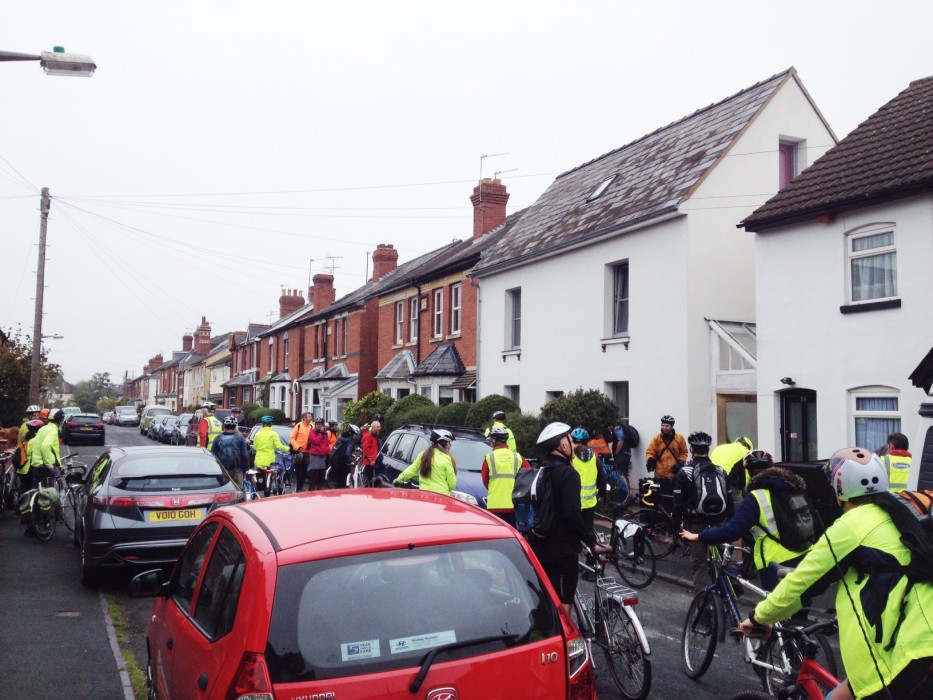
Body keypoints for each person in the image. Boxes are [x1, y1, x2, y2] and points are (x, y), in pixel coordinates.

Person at [738, 447, 933, 700]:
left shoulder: (851, 526)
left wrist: (759, 618)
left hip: (918, 650)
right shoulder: (903, 512)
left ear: (839, 489)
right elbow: (890, 576)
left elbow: (803, 581)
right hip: (903, 646)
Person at [681, 449, 811, 590]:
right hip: (806, 558)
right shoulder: (795, 490)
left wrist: (699, 536)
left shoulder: (756, 498)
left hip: (776, 564)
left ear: (748, 473)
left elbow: (732, 531)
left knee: (768, 610)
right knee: (799, 608)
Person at [527, 422, 602, 615]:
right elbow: (571, 515)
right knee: (563, 604)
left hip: (539, 545)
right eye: (569, 439)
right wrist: (589, 538)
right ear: (563, 445)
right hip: (562, 551)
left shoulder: (541, 469)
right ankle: (563, 641)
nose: (572, 443)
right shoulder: (568, 474)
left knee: (546, 599)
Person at [673, 430, 734, 593]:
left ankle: (704, 605)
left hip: (695, 525)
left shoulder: (686, 472)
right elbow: (730, 499)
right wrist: (729, 520)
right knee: (727, 558)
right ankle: (733, 589)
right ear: (708, 449)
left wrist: (675, 528)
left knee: (699, 565)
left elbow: (678, 504)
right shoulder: (721, 470)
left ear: (692, 450)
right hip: (719, 522)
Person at [481, 425, 531, 526]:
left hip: (494, 506)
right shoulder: (517, 457)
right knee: (511, 536)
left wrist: (495, 488)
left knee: (496, 537)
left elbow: (485, 480)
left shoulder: (489, 458)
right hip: (514, 505)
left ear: (493, 442)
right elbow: (528, 476)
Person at [570, 428, 607, 541]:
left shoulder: (571, 459)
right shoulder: (595, 458)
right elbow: (602, 478)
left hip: (574, 503)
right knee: (588, 532)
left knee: (573, 534)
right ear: (587, 442)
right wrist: (602, 492)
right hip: (590, 504)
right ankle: (592, 555)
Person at [394, 429, 457, 495]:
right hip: (441, 497)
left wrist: (398, 480)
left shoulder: (423, 454)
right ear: (443, 444)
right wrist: (448, 490)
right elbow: (452, 483)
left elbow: (411, 470)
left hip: (425, 495)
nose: (450, 445)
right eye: (449, 443)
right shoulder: (446, 458)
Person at [644, 415, 688, 487]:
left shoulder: (679, 438)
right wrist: (650, 460)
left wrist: (681, 462)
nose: (664, 428)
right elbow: (650, 451)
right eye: (663, 425)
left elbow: (684, 452)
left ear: (671, 426)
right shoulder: (656, 438)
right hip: (660, 474)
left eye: (667, 426)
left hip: (675, 473)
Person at [252, 416, 289, 496]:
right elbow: (279, 446)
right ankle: (269, 489)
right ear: (271, 424)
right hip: (269, 461)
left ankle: (259, 488)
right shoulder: (273, 434)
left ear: (262, 424)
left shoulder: (257, 433)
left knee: (259, 476)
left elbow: (255, 446)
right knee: (270, 476)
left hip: (259, 461)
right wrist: (288, 448)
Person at [211, 417, 249, 489]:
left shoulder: (218, 438)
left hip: (223, 469)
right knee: (239, 488)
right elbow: (245, 455)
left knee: (224, 488)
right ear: (235, 427)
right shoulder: (240, 438)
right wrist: (245, 469)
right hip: (237, 468)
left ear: (224, 426)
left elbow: (213, 455)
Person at [289, 412, 314, 492]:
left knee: (304, 471)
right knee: (298, 471)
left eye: (311, 417)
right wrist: (297, 447)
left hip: (307, 452)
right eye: (309, 417)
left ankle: (301, 487)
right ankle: (298, 487)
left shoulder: (311, 426)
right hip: (299, 452)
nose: (311, 418)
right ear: (304, 418)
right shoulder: (298, 426)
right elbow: (292, 438)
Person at [305, 417, 330, 491]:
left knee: (321, 474)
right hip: (315, 456)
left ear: (323, 425)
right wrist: (321, 434)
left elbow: (327, 443)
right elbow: (315, 441)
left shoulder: (325, 433)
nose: (318, 426)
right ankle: (311, 490)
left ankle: (320, 489)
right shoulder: (312, 432)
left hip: (323, 455)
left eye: (320, 424)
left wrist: (327, 451)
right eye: (317, 424)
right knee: (314, 474)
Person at [359, 420, 382, 487]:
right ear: (373, 427)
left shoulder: (376, 436)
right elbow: (366, 450)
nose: (379, 428)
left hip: (375, 461)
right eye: (377, 427)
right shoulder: (367, 436)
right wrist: (371, 460)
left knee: (373, 480)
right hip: (369, 463)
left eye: (379, 427)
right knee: (369, 480)